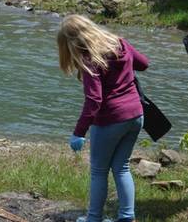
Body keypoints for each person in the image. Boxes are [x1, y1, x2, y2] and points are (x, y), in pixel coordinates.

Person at [57, 14, 149, 222]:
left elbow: (94, 100)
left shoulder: (91, 59)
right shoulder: (119, 43)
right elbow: (143, 63)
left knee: (98, 171)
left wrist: (79, 132)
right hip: (136, 115)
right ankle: (127, 216)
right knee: (121, 167)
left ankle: (94, 218)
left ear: (71, 43)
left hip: (111, 119)